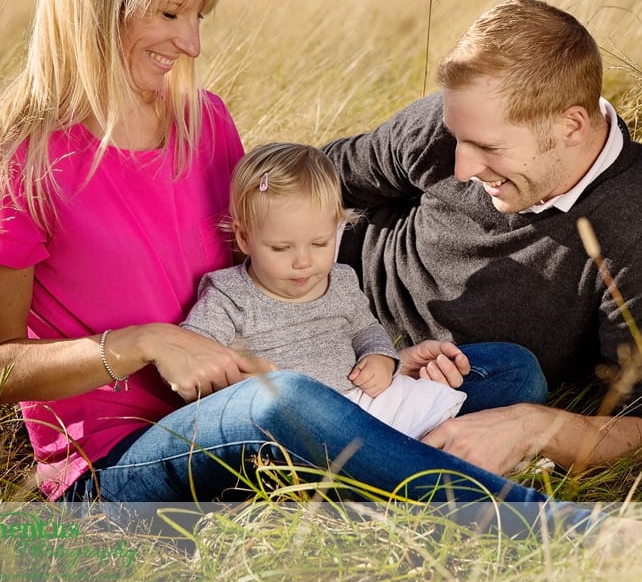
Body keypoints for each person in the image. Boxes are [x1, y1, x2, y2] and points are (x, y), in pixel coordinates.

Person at [0, 0, 593, 526]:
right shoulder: (13, 156)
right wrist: (146, 342)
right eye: (170, 15)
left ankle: (372, 486)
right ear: (95, 4)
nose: (192, 44)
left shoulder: (204, 121)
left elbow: (268, 281)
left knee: (505, 373)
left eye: (199, 16)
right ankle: (544, 528)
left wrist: (388, 358)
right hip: (123, 465)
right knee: (282, 402)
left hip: (277, 409)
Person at [324, 0, 642, 477]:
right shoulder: (458, 122)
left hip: (443, 380)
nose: (462, 167)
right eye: (457, 137)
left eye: (488, 148)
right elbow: (320, 176)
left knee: (517, 375)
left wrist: (530, 427)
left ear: (571, 126)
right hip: (320, 303)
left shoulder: (640, 227)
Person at [180, 142, 468, 440]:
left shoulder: (340, 279)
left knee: (504, 363)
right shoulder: (230, 295)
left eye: (320, 244)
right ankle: (410, 459)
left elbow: (365, 328)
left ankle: (424, 446)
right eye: (281, 248)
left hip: (362, 401)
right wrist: (242, 385)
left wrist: (380, 356)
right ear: (244, 237)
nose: (303, 262)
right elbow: (193, 356)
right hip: (290, 427)